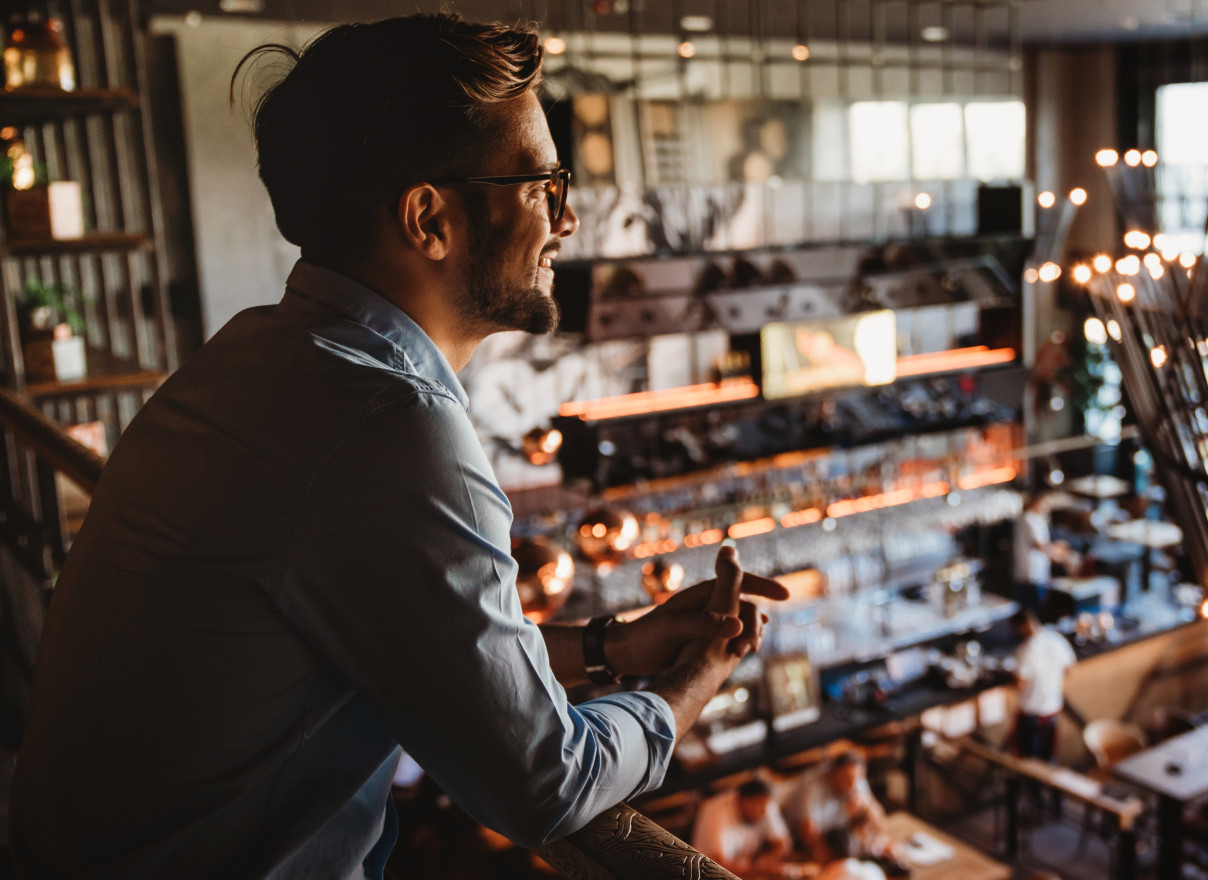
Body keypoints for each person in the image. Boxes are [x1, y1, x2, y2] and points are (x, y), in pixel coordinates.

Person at [10, 16, 785, 878]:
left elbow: (417, 636)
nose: (566, 219)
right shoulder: (388, 424)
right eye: (541, 184)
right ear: (429, 217)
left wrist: (614, 648)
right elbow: (545, 783)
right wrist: (688, 684)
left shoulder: (258, 355)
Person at [783, 751, 887, 863]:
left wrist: (866, 806)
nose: (852, 785)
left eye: (858, 778)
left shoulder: (855, 780)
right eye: (847, 778)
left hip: (837, 843)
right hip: (801, 847)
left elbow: (880, 822)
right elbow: (808, 838)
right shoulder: (811, 789)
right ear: (832, 773)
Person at [1011, 608, 1077, 763]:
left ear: (1020, 628)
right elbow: (1071, 669)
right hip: (1052, 709)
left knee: (1027, 760)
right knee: (1048, 758)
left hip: (1031, 713)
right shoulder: (1056, 640)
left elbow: (1020, 684)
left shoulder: (1025, 651)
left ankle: (1034, 787)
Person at [691, 779, 792, 878]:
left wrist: (766, 861)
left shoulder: (763, 802)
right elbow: (718, 869)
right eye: (759, 808)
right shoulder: (715, 813)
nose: (764, 813)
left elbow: (784, 844)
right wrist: (759, 871)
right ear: (744, 802)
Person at [1013, 489, 1075, 611]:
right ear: (1037, 502)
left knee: (1038, 606)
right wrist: (1061, 556)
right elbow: (1039, 545)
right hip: (1029, 574)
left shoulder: (1037, 519)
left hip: (1038, 574)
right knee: (1030, 609)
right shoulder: (1028, 518)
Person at [815, 828, 887, 880]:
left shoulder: (829, 877)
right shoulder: (873, 870)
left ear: (826, 851)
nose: (815, 854)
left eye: (819, 849)